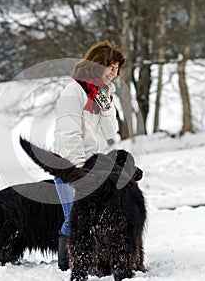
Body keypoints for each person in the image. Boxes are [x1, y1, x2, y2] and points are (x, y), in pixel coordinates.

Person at [53, 41, 126, 271]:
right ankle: (66, 264)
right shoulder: (72, 92)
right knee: (73, 217)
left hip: (93, 164)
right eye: (110, 67)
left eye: (116, 68)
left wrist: (106, 107)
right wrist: (79, 170)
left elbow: (110, 132)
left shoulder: (102, 94)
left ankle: (90, 259)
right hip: (68, 165)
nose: (114, 73)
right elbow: (70, 133)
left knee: (91, 216)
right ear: (97, 65)